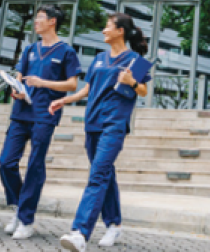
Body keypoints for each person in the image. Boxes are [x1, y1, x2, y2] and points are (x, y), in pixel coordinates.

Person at [49, 13, 150, 251]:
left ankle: (80, 233)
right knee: (104, 173)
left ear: (120, 31)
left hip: (114, 124)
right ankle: (114, 223)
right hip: (92, 122)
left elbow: (143, 90)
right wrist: (65, 100)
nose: (104, 30)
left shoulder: (136, 60)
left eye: (108, 26)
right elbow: (88, 89)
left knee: (97, 175)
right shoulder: (98, 59)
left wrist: (131, 81)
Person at [0, 4, 81, 239]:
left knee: (35, 164)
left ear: (52, 21)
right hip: (20, 113)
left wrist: (43, 83)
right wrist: (18, 90)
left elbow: (72, 85)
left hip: (45, 115)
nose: (36, 21)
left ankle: (26, 219)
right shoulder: (30, 49)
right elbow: (20, 77)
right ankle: (18, 206)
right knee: (5, 162)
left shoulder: (66, 51)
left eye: (40, 18)